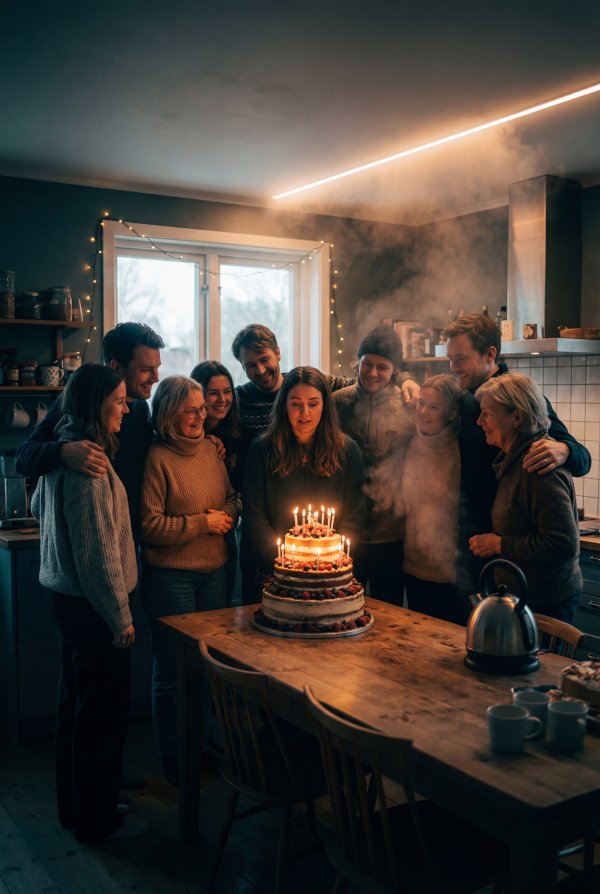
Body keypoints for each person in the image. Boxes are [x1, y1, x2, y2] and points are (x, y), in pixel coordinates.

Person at [31, 364, 145, 842]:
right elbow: (98, 555)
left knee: (75, 707)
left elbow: (37, 504)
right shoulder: (90, 467)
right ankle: (97, 820)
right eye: (118, 400)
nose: (126, 407)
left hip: (65, 600)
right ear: (97, 403)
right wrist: (120, 616)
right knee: (101, 717)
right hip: (94, 609)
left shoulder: (64, 451)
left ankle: (75, 806)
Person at [139, 375, 238, 785]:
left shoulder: (211, 452)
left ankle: (203, 747)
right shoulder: (157, 459)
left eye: (202, 409)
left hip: (214, 573)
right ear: (168, 413)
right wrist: (203, 523)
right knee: (173, 670)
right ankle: (174, 755)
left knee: (207, 667)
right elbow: (149, 526)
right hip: (171, 579)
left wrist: (230, 510)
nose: (201, 416)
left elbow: (230, 496)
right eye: (191, 410)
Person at [444, 313, 591, 589]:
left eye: (460, 359)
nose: (453, 368)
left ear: (490, 354)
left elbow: (583, 460)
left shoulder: (516, 397)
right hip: (472, 549)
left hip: (512, 557)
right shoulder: (464, 398)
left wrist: (564, 450)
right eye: (450, 359)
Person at [16, 321, 164, 543]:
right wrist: (63, 451)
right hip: (92, 540)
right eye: (145, 370)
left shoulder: (141, 409)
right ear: (116, 367)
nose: (156, 377)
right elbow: (23, 458)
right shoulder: (80, 404)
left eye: (157, 367)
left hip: (132, 541)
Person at [242, 366, 364, 599]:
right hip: (270, 571)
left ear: (325, 406)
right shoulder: (262, 450)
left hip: (328, 574)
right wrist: (289, 567)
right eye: (296, 403)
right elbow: (255, 517)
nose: (304, 412)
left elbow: (354, 515)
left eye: (313, 403)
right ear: (283, 405)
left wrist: (324, 566)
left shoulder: (347, 451)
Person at [469, 373, 582, 621]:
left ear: (517, 417)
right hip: (527, 598)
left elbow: (563, 545)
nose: (479, 421)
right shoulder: (515, 459)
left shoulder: (537, 469)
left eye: (487, 413)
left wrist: (498, 544)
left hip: (546, 604)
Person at [333, 324, 416, 604]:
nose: (372, 373)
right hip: (344, 534)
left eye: (382, 367)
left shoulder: (409, 407)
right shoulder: (336, 403)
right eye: (367, 364)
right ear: (357, 361)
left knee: (390, 616)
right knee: (341, 612)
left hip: (392, 536)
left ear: (394, 370)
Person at [398, 374, 467, 623]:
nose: (423, 411)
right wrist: (406, 379)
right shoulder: (408, 440)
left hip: (452, 575)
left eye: (434, 407)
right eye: (422, 403)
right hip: (413, 566)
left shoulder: (462, 449)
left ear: (451, 414)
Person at [190, 361, 242, 603]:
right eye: (213, 393)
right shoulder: (184, 437)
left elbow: (236, 492)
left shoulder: (235, 432)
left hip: (226, 530)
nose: (222, 399)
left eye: (227, 391)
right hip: (191, 537)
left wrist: (227, 514)